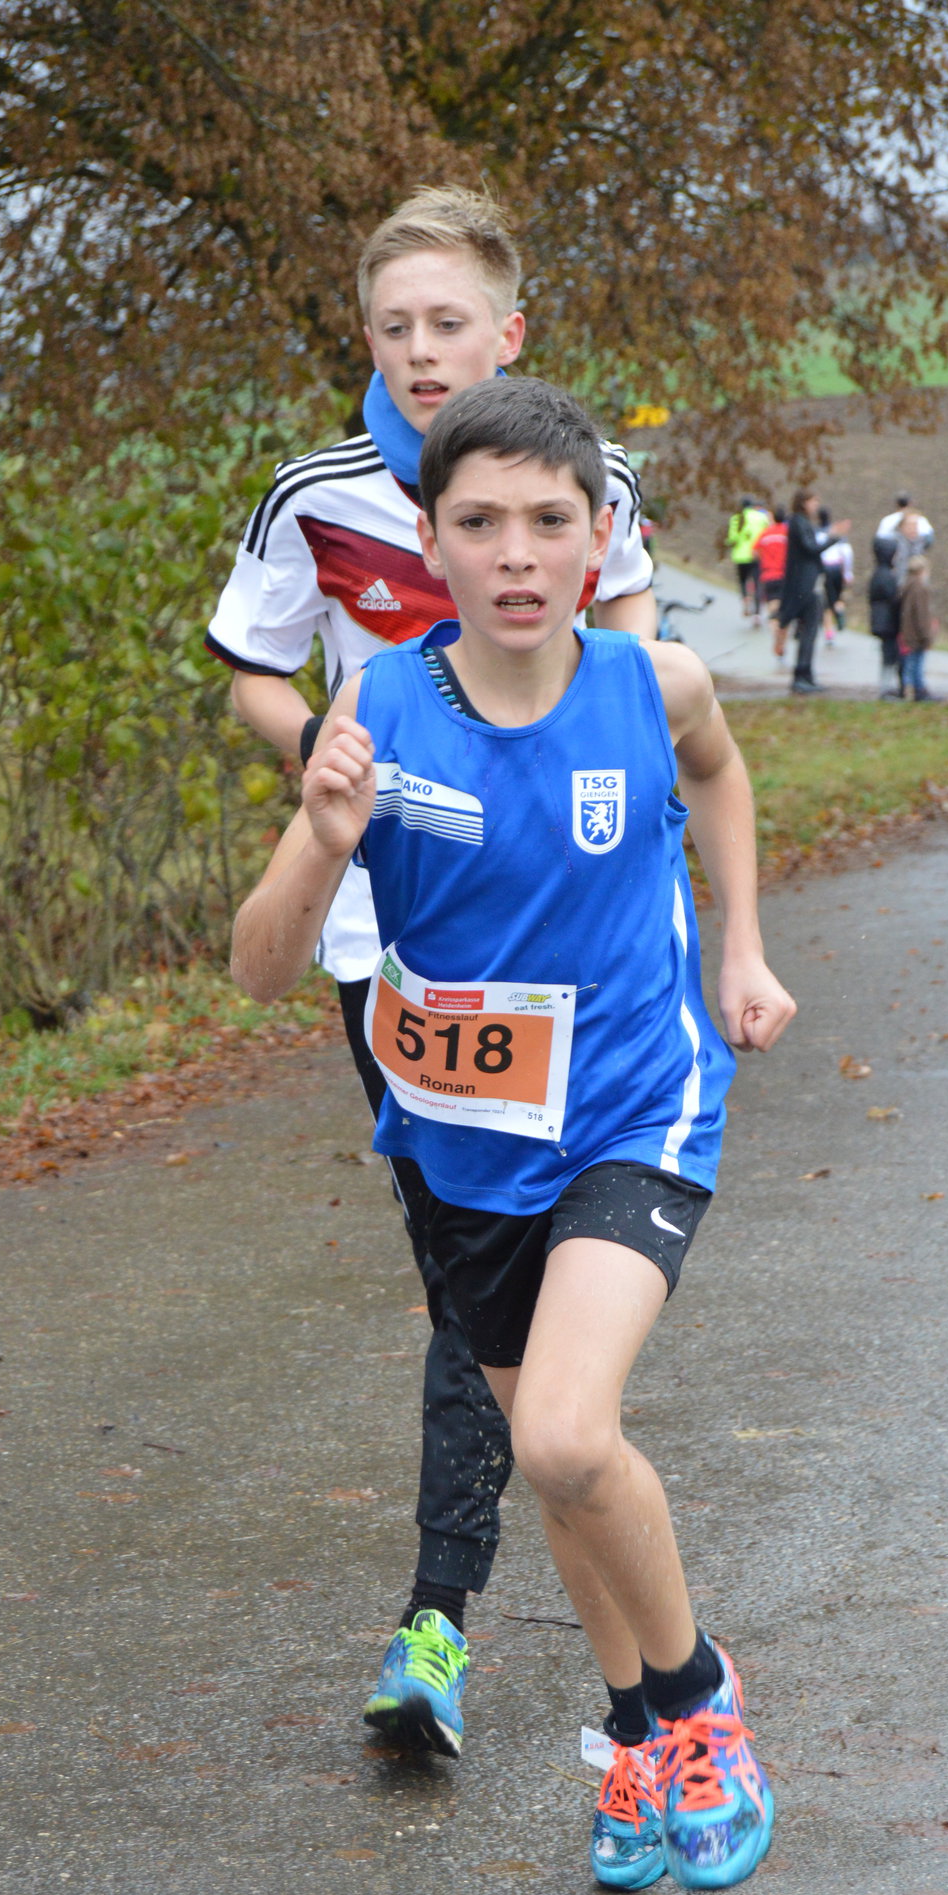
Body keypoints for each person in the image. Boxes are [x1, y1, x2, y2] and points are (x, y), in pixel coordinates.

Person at [233, 376, 797, 1893]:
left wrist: (740, 947)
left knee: (558, 1429)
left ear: (597, 535)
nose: (517, 553)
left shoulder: (653, 684)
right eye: (479, 522)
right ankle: (634, 1734)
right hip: (461, 1145)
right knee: (563, 1470)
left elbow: (719, 772)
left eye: (550, 521)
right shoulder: (377, 711)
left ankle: (699, 1705)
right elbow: (260, 968)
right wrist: (324, 843)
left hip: (633, 1106)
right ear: (429, 542)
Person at [207, 185, 657, 1760]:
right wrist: (328, 757)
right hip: (391, 947)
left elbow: (645, 682)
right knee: (472, 1286)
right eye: (393, 325)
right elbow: (253, 664)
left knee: (538, 1305)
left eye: (447, 322)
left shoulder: (587, 481)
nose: (419, 349)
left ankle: (563, 1627)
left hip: (570, 950)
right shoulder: (318, 495)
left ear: (505, 331)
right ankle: (458, 1621)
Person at [777, 486, 848, 693]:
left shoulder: (802, 523)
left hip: (808, 583)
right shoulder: (798, 522)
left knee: (810, 631)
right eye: (813, 501)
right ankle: (801, 675)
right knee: (808, 631)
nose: (816, 505)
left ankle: (806, 674)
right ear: (803, 502)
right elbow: (811, 549)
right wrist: (833, 538)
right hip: (805, 585)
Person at [868, 532, 903, 698]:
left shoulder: (880, 572)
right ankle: (886, 688)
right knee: (889, 656)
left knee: (888, 654)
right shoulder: (886, 575)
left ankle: (887, 687)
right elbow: (893, 599)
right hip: (887, 622)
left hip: (882, 621)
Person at [898, 554, 938, 701]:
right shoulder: (920, 588)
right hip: (916, 635)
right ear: (922, 570)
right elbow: (922, 615)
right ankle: (918, 691)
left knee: (910, 664)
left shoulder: (907, 585)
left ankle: (908, 691)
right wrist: (927, 636)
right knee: (917, 664)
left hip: (907, 633)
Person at [726, 496, 769, 620]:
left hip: (740, 555)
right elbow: (766, 534)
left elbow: (732, 538)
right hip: (756, 555)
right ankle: (757, 613)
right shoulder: (761, 518)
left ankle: (745, 600)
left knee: (743, 581)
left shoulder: (736, 518)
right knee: (757, 583)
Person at [754, 505, 789, 652]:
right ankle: (782, 641)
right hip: (785, 576)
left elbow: (755, 552)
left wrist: (765, 559)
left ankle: (776, 635)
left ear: (773, 517)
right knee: (784, 611)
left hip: (769, 575)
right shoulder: (788, 533)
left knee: (773, 610)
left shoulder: (766, 533)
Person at [818, 508, 853, 643]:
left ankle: (829, 632)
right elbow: (847, 553)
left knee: (827, 601)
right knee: (837, 597)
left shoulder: (818, 533)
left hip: (826, 569)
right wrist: (848, 573)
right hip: (838, 568)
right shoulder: (838, 535)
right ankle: (839, 611)